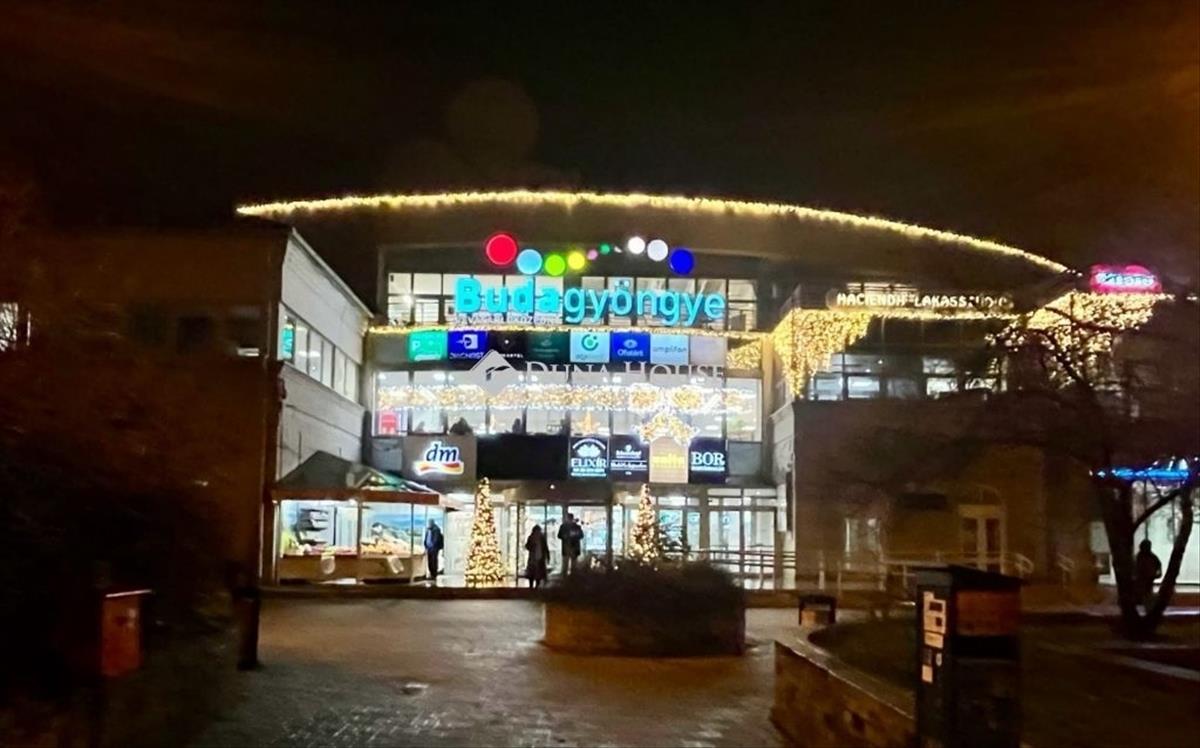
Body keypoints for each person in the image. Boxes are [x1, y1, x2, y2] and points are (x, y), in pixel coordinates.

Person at [1134, 538, 1163, 608]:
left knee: (1147, 593)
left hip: (1148, 578)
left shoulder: (1151, 557)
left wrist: (1158, 573)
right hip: (1142, 579)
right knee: (1143, 593)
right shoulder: (1139, 557)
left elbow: (1158, 565)